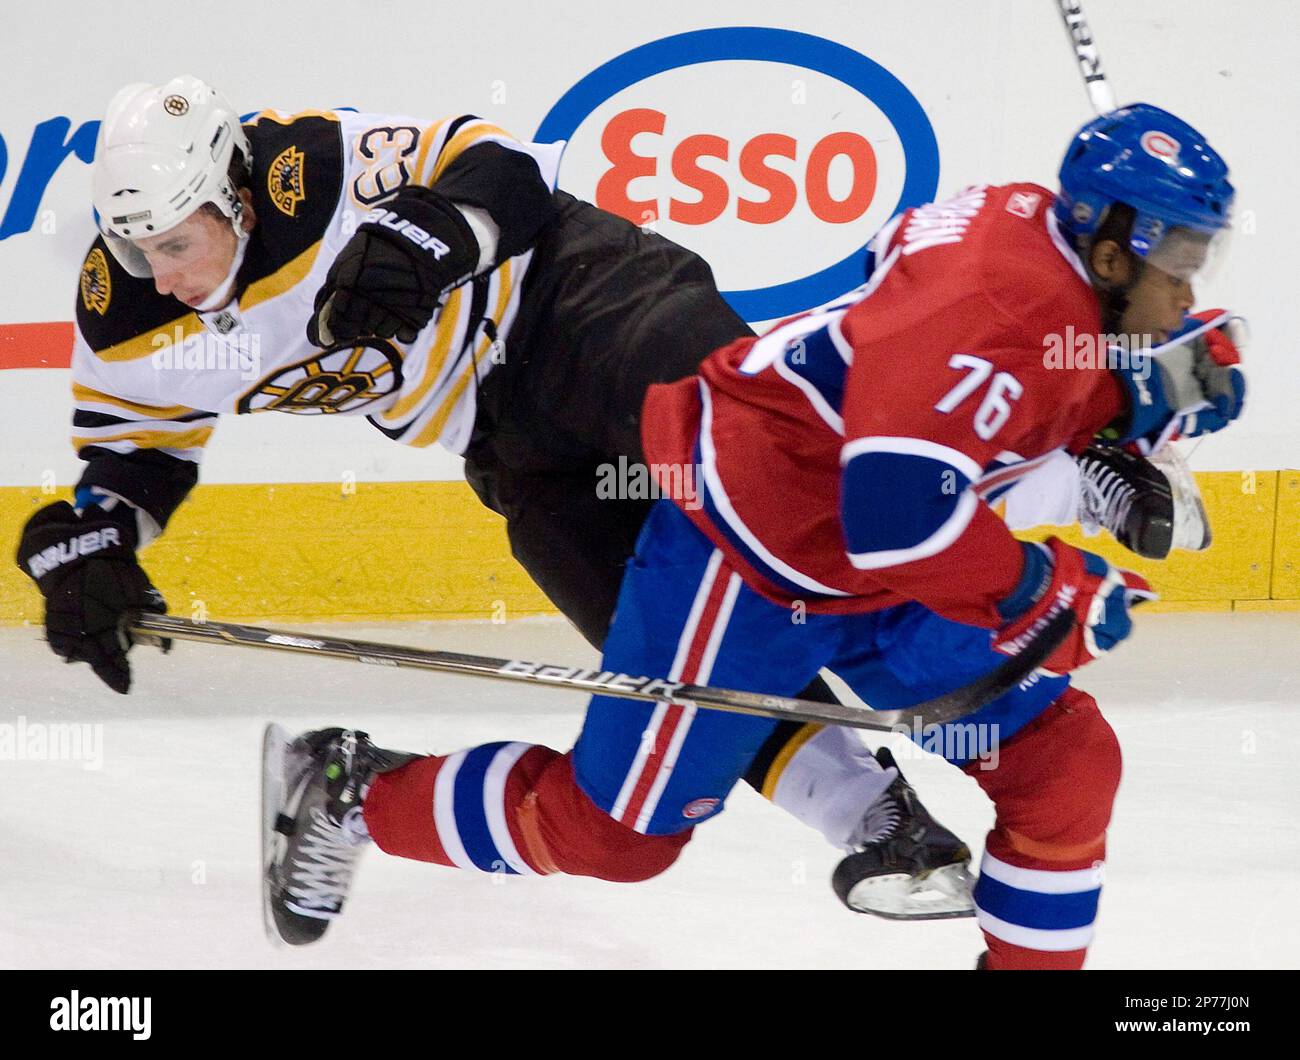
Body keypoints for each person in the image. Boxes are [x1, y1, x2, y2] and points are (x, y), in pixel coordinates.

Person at [260, 102, 1245, 968]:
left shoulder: (1040, 241)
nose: (1188, 298)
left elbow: (939, 341)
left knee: (1064, 762)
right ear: (1110, 255)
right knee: (615, 839)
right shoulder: (990, 308)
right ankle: (347, 786)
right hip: (747, 560)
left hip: (865, 553)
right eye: (1179, 271)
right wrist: (1044, 594)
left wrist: (1140, 394)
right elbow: (902, 515)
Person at [17, 75, 978, 922]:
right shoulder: (126, 313)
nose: (169, 278)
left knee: (755, 457)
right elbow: (133, 458)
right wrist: (92, 550)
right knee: (664, 644)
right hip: (510, 442)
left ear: (232, 191)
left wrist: (430, 237)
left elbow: (506, 168)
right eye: (140, 251)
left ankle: (984, 667)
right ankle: (873, 816)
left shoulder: (305, 169)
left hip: (583, 300)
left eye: (179, 243)